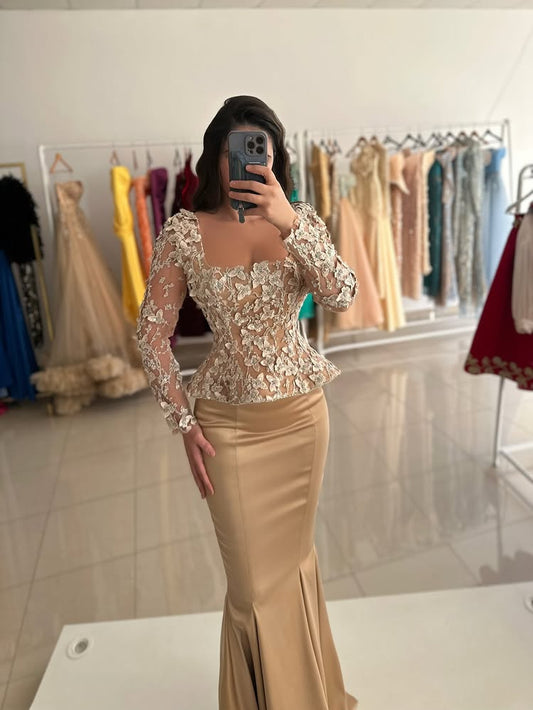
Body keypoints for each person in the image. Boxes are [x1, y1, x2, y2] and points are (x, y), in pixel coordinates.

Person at [136, 95, 359, 709]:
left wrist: (290, 224)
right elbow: (150, 333)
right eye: (238, 151)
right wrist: (183, 421)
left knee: (294, 564)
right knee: (251, 588)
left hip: (302, 420)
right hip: (227, 428)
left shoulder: (299, 220)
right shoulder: (183, 233)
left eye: (263, 151)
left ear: (276, 158)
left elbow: (342, 294)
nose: (251, 163)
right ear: (216, 156)